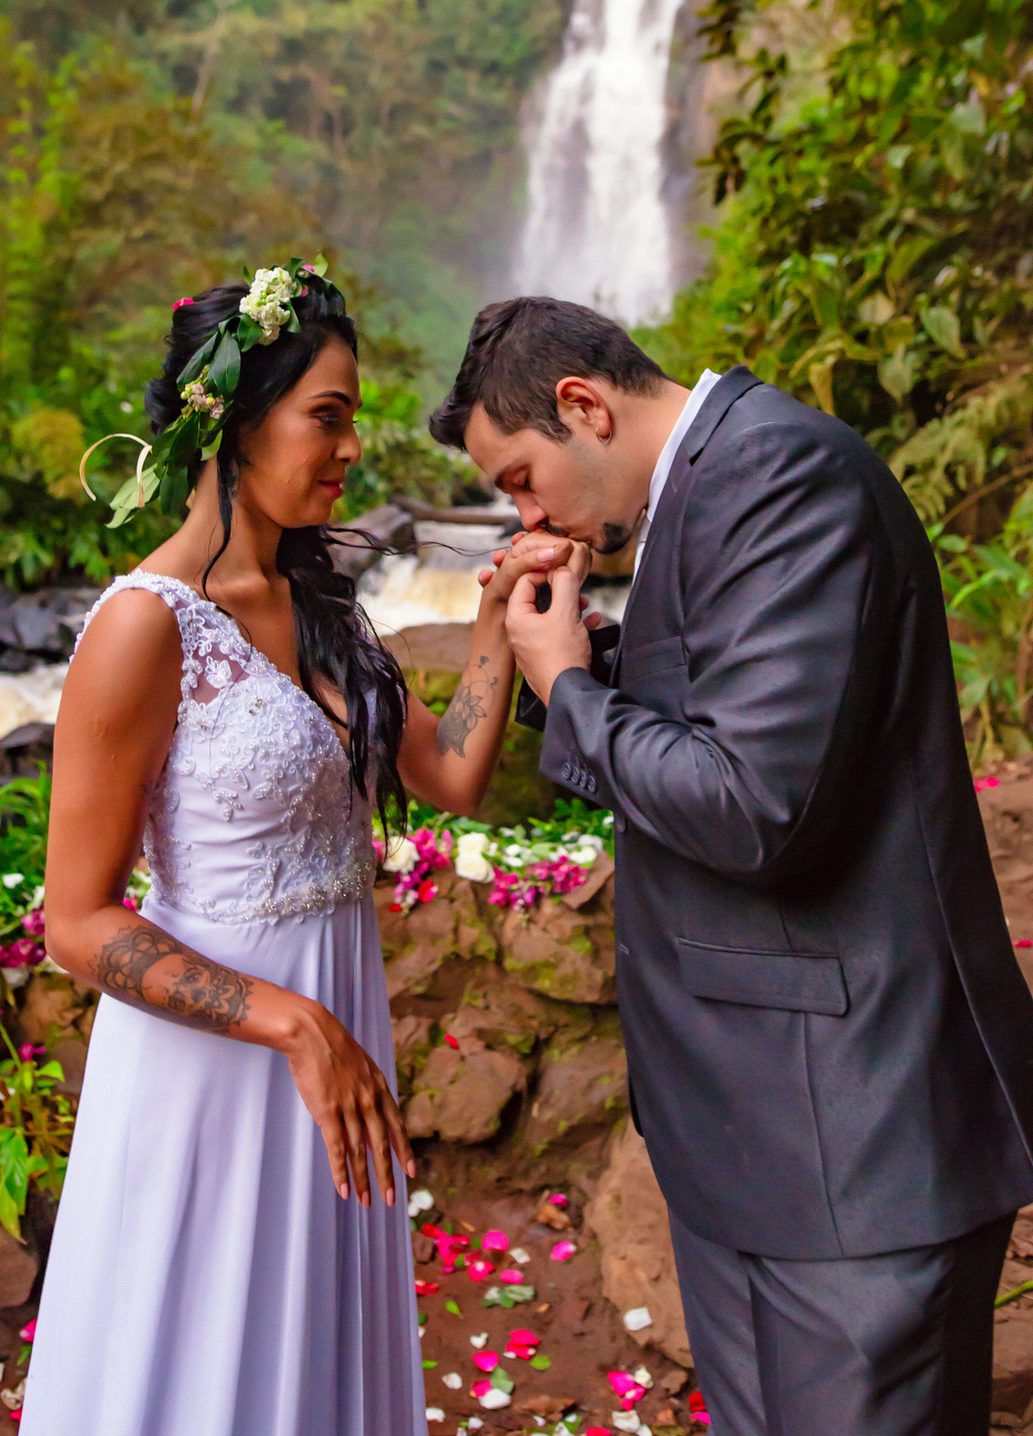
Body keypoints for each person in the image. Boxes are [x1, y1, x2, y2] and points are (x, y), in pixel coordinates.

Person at [430, 296, 1033, 1436]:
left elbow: (755, 806)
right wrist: (583, 655)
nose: (523, 510)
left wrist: (567, 686)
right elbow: (731, 699)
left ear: (583, 406)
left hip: (853, 1140)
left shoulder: (779, 475)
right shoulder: (711, 480)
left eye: (518, 476)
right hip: (760, 1130)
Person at [20, 268, 577, 1436]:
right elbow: (75, 922)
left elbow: (452, 773)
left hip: (335, 1046)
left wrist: (494, 621)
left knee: (311, 1365)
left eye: (351, 418)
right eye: (328, 416)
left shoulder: (319, 605)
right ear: (231, 415)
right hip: (215, 1070)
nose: (351, 449)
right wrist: (285, 1019)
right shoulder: (142, 626)